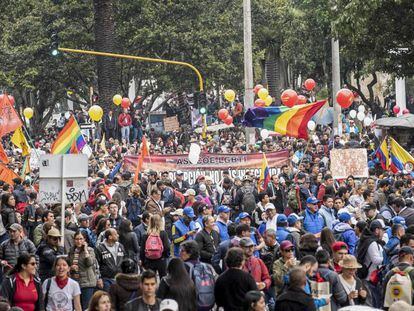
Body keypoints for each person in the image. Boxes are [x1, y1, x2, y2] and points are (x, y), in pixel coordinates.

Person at [356, 219, 385, 308]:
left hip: (371, 277)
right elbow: (375, 260)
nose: (383, 232)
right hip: (370, 278)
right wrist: (386, 259)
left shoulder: (368, 239)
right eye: (382, 229)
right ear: (377, 230)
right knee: (371, 302)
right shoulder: (372, 243)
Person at [67, 230, 98, 310]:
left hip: (87, 283)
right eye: (77, 239)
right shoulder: (71, 250)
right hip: (75, 281)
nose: (79, 241)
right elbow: (67, 263)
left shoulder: (90, 250)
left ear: (84, 240)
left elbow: (90, 263)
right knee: (76, 307)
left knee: (86, 307)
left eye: (81, 239)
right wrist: (71, 267)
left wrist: (85, 250)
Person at [140, 214, 170, 278]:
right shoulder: (163, 233)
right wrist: (164, 256)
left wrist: (143, 261)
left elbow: (142, 250)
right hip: (161, 260)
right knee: (163, 278)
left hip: (149, 260)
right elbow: (167, 247)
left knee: (150, 278)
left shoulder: (146, 234)